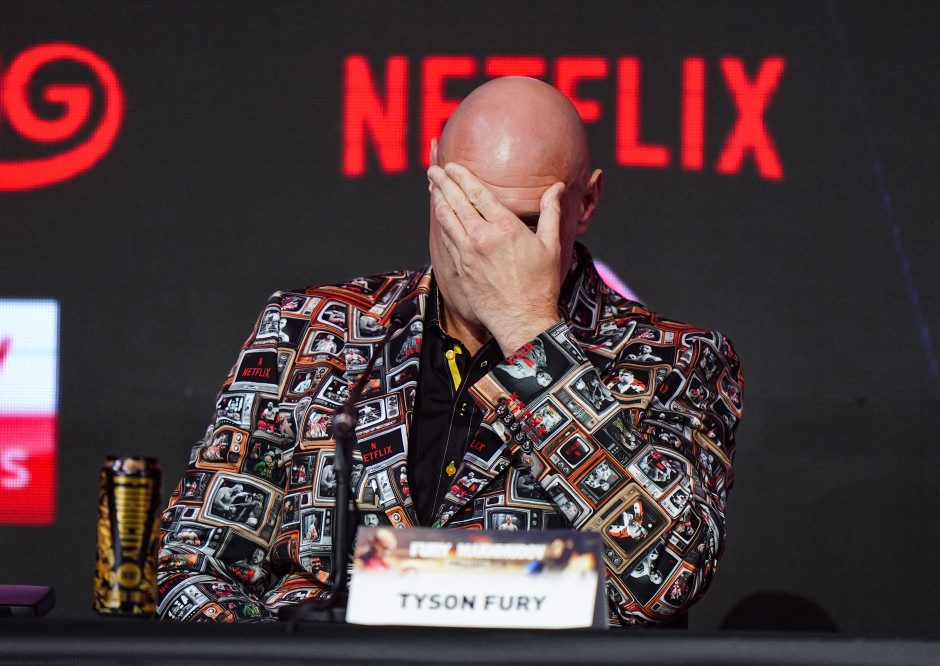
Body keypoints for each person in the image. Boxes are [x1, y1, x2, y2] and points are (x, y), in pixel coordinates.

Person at [157, 77, 743, 626]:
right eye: (466, 209)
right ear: (433, 177)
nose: (485, 245)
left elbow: (668, 578)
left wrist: (527, 328)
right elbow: (193, 565)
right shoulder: (310, 331)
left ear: (585, 204)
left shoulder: (678, 361)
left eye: (521, 224)